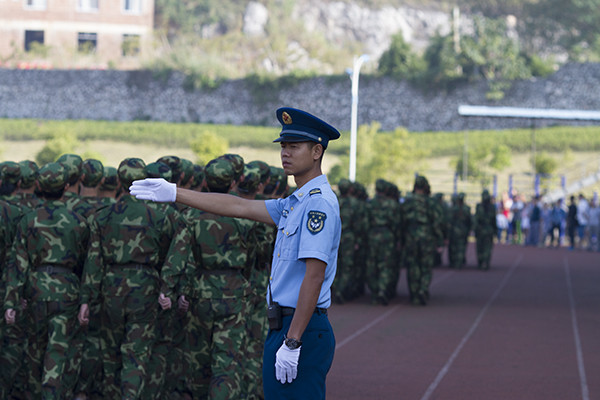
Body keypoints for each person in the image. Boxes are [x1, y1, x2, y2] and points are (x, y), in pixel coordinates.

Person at [130, 107, 341, 399]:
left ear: (317, 151)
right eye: (283, 146)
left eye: (294, 146)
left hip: (299, 328)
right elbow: (238, 206)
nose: (285, 153)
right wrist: (175, 193)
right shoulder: (295, 202)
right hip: (285, 324)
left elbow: (314, 277)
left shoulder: (317, 205)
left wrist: (292, 341)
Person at [473, 189, 497, 270]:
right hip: (488, 230)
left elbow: (476, 219)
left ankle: (480, 263)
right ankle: (486, 263)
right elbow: (494, 220)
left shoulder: (479, 206)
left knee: (480, 247)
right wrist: (495, 231)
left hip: (480, 230)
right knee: (487, 248)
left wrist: (475, 230)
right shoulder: (492, 207)